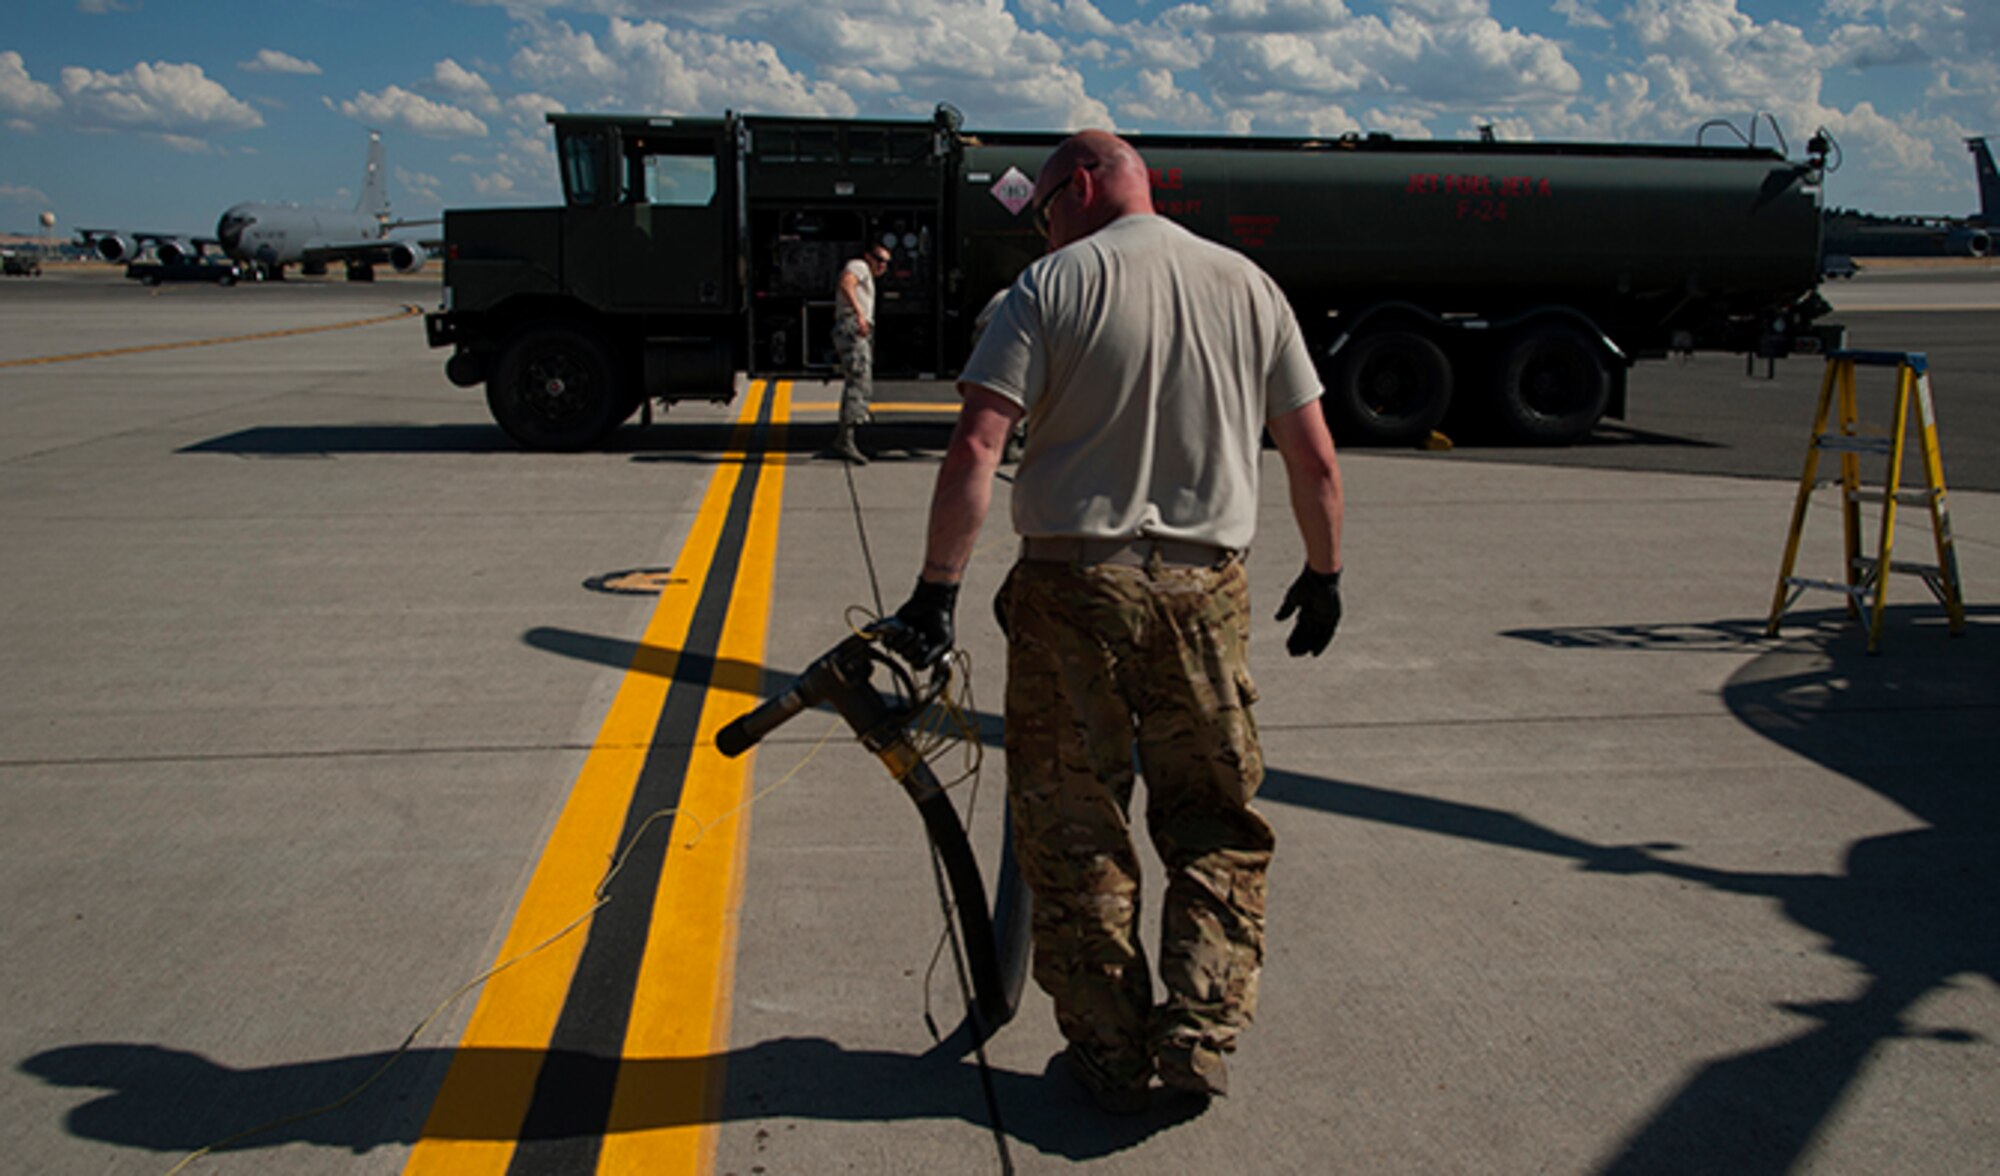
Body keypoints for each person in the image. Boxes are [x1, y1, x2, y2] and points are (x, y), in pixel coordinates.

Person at [876, 131, 1345, 1113]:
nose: (1043, 230)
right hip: (1202, 594)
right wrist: (1323, 569)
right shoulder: (1247, 286)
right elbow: (1312, 460)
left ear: (1080, 184)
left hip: (1070, 594)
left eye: (1044, 209)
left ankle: (1107, 1051)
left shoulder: (1046, 292)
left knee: (1073, 826)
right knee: (1212, 815)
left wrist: (934, 590)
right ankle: (1198, 1029)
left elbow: (974, 445)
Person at [826, 243, 892, 464]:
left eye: (886, 262)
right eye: (878, 259)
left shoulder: (866, 272)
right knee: (858, 381)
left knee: (860, 381)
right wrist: (859, 314)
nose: (882, 265)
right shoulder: (859, 266)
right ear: (867, 256)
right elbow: (846, 282)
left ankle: (846, 437)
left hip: (854, 327)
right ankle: (846, 440)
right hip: (853, 327)